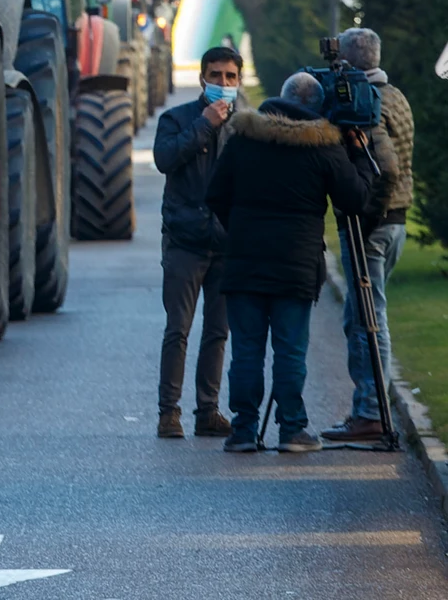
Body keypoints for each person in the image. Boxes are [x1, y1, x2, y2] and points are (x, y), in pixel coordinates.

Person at [208, 72, 378, 453]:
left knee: (247, 350)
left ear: (278, 98)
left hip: (245, 261)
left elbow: (215, 194)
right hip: (296, 263)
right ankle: (292, 430)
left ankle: (244, 430)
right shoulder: (324, 147)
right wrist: (359, 155)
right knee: (290, 350)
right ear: (318, 108)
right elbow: (355, 200)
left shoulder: (244, 139)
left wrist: (239, 229)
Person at [322, 28, 415, 442]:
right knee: (368, 316)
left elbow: (387, 167)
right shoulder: (394, 94)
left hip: (373, 226)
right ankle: (370, 410)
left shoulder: (366, 102)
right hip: (397, 221)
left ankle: (370, 414)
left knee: (366, 322)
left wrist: (366, 212)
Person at [151, 46, 243, 439]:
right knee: (179, 328)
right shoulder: (177, 119)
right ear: (202, 78)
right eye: (216, 75)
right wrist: (205, 123)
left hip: (226, 243)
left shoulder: (245, 127)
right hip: (185, 240)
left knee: (218, 332)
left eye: (230, 77)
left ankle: (208, 410)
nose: (223, 83)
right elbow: (165, 159)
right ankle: (168, 412)